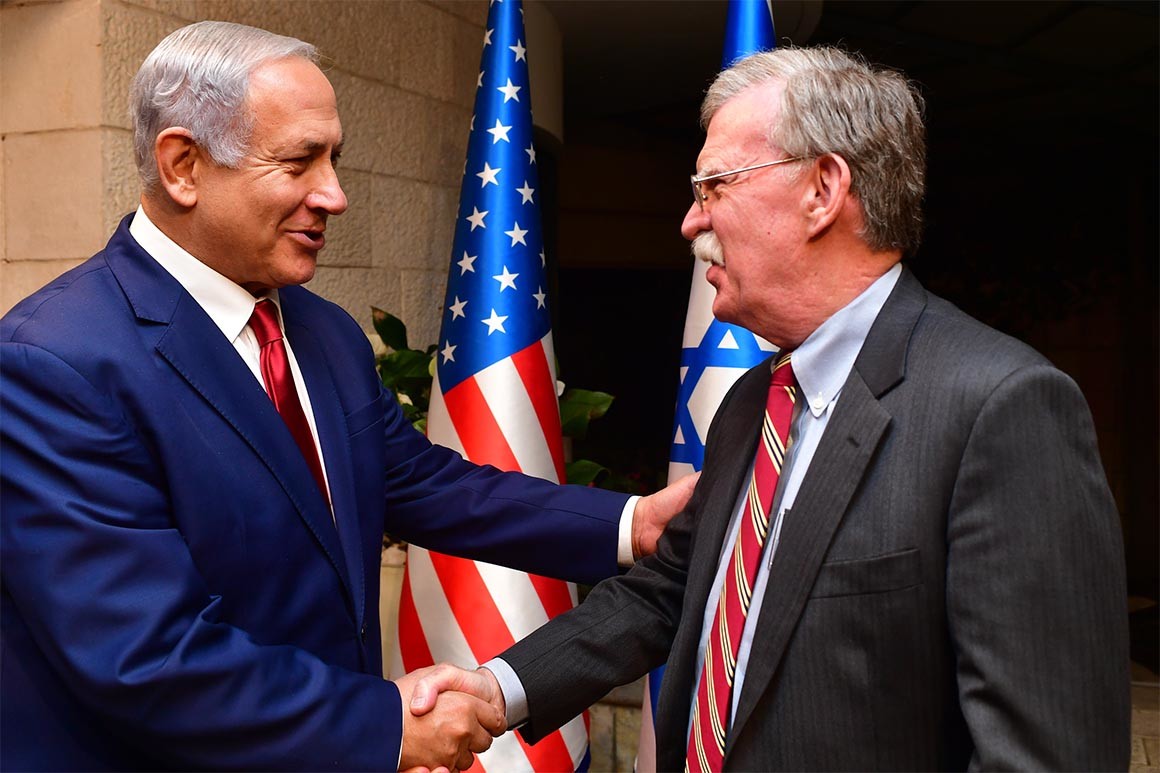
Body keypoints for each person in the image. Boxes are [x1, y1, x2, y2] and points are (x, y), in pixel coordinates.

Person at [0, 21, 696, 772]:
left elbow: (422, 483)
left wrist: (632, 523)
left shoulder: (321, 330)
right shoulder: (54, 363)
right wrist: (385, 724)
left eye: (334, 159)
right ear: (182, 166)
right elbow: (148, 657)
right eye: (300, 162)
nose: (334, 194)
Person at [413, 46, 1130, 770]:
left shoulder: (1000, 409)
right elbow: (670, 590)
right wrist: (496, 689)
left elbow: (1045, 754)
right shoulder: (754, 403)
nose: (691, 222)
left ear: (823, 189)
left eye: (715, 184)